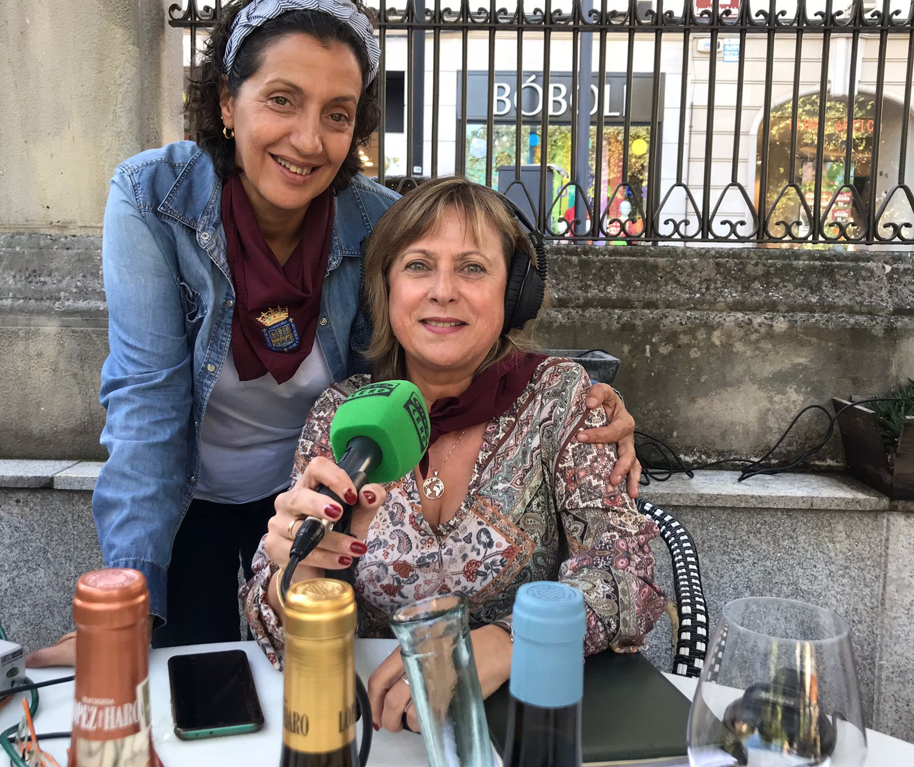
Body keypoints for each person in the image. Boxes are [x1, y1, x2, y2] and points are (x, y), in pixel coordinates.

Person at [28, 0, 640, 667]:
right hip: (194, 490)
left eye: (337, 115)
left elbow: (440, 349)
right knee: (192, 674)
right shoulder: (154, 198)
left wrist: (581, 400)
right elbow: (148, 403)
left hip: (322, 473)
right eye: (281, 99)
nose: (308, 140)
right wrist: (129, 602)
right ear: (227, 101)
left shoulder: (378, 222)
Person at [244, 177, 666, 732]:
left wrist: (512, 642)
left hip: (520, 724)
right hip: (377, 728)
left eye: (472, 268)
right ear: (387, 288)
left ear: (514, 293)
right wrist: (293, 579)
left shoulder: (564, 399)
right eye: (418, 265)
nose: (443, 291)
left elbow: (628, 578)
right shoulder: (340, 414)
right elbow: (269, 622)